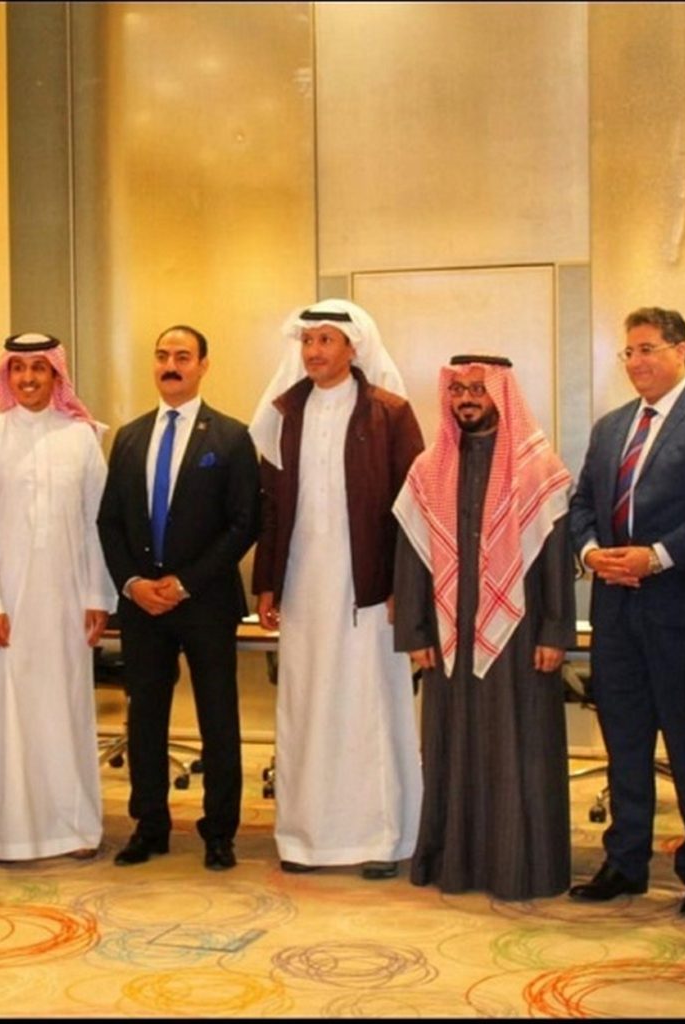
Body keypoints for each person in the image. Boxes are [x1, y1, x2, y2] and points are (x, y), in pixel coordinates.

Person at [250, 298, 424, 879]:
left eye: (326, 339)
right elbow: (271, 507)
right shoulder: (284, 413)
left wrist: (402, 585)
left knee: (370, 706)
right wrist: (267, 582)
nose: (314, 351)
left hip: (369, 591)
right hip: (303, 586)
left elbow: (411, 508)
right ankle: (306, 839)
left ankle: (381, 839)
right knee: (306, 707)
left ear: (354, 347)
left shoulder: (390, 413)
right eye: (307, 341)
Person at [392, 354, 575, 900]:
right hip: (448, 632)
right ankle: (456, 864)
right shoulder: (429, 469)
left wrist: (555, 631)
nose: (466, 399)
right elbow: (412, 558)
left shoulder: (537, 467)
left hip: (521, 635)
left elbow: (555, 557)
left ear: (501, 393)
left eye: (478, 388)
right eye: (458, 389)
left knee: (520, 746)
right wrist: (416, 634)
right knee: (452, 746)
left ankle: (522, 867)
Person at [569, 306, 685, 917]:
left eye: (647, 349)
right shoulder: (611, 428)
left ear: (681, 350)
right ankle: (625, 862)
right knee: (624, 741)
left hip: (683, 612)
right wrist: (591, 552)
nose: (636, 362)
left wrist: (656, 557)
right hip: (615, 613)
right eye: (628, 352)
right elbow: (582, 503)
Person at [97, 324, 260, 871]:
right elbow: (109, 520)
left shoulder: (231, 437)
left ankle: (219, 832)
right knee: (145, 718)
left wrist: (186, 582)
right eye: (163, 355)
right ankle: (150, 826)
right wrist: (132, 583)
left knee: (218, 719)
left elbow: (244, 523)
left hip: (206, 601)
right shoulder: (130, 437)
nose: (171, 365)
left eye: (183, 356)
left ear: (203, 365)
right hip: (142, 604)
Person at [0, 331, 117, 861]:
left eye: (39, 369)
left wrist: (97, 594)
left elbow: (96, 524)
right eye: (19, 369)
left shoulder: (81, 438)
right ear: (7, 376)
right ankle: (6, 832)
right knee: (8, 714)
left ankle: (73, 829)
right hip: (8, 606)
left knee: (65, 712)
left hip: (66, 602)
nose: (29, 378)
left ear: (56, 376)